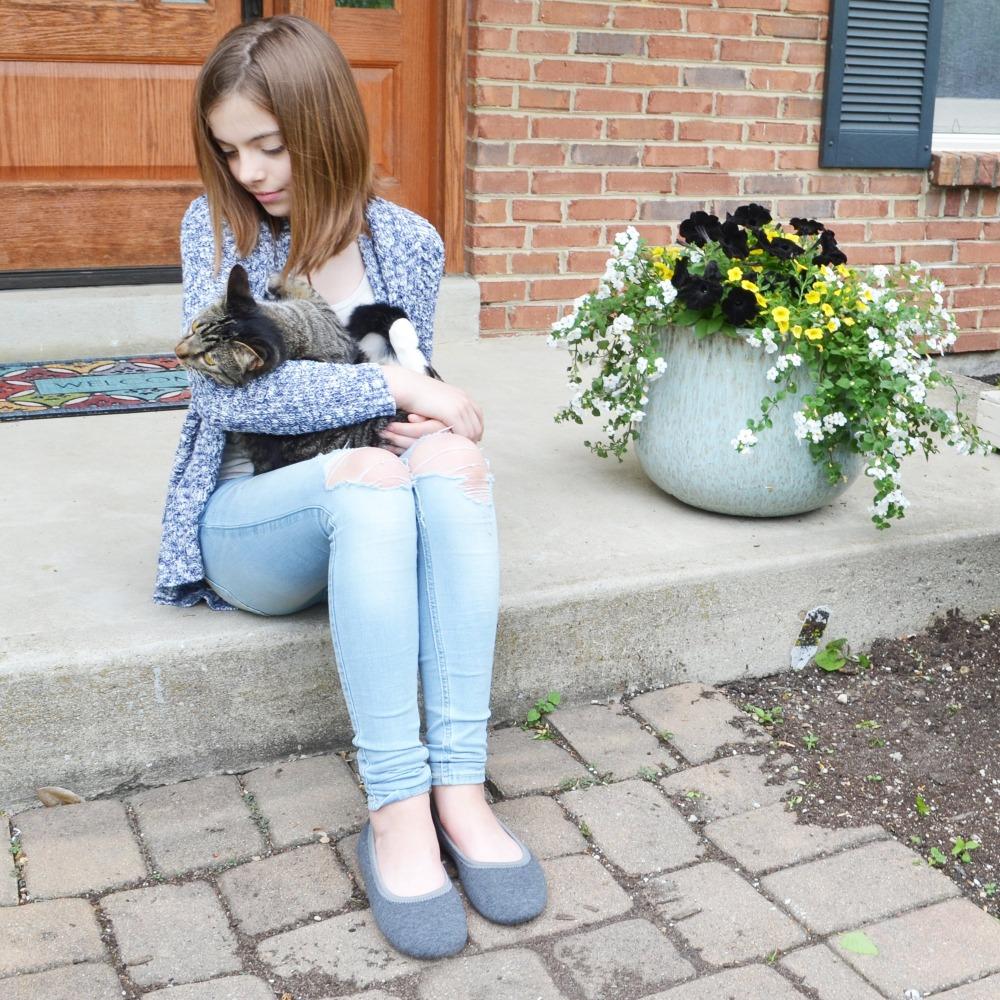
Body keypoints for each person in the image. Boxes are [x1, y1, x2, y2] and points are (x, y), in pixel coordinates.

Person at [154, 14, 545, 958]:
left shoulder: (407, 241)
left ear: (325, 125)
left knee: (447, 462)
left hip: (366, 506)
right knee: (371, 474)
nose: (250, 171)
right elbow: (231, 388)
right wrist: (397, 387)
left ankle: (460, 786)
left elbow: (408, 383)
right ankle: (395, 808)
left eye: (270, 145)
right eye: (230, 149)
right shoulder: (221, 231)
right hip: (254, 526)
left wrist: (441, 410)